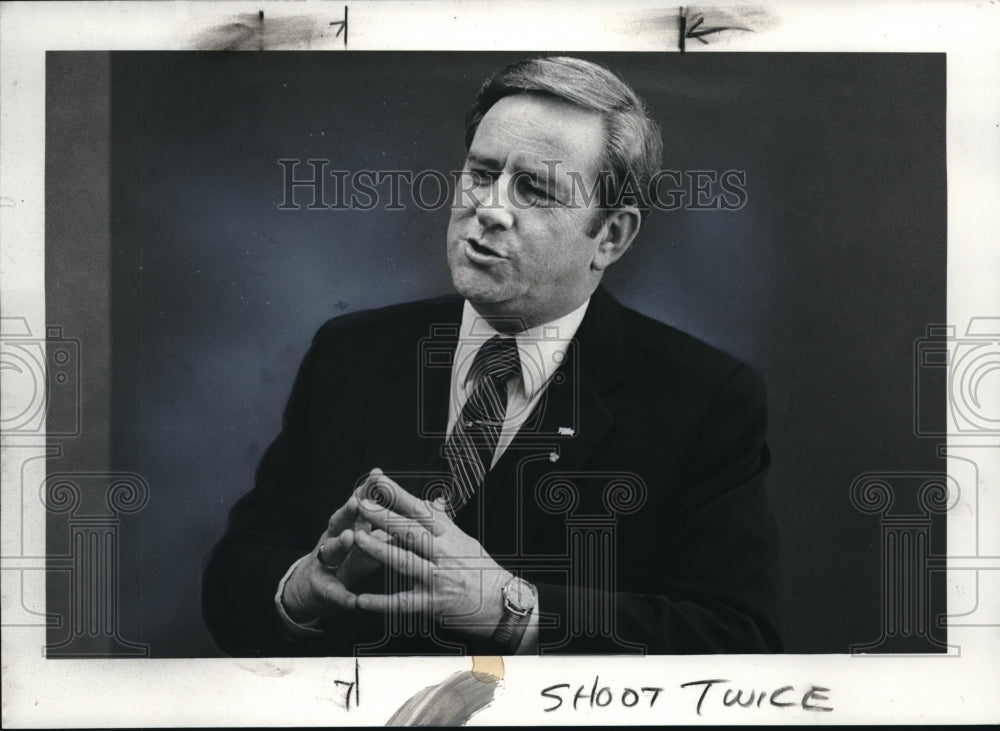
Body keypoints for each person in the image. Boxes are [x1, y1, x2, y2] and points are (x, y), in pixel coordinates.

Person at [202, 56, 782, 656]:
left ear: (610, 236)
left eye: (535, 188)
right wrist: (302, 589)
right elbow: (237, 575)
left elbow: (736, 640)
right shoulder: (350, 353)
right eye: (481, 173)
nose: (489, 208)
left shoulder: (706, 399)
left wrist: (512, 609)